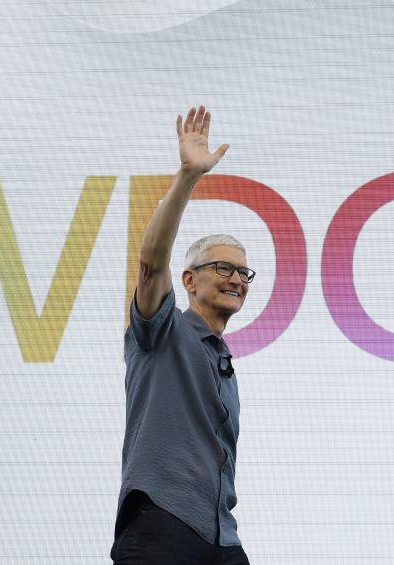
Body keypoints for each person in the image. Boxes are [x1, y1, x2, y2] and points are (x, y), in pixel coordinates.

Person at [111, 106, 252, 564]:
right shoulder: (162, 330)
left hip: (221, 538)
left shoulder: (224, 361)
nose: (236, 279)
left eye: (243, 272)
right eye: (223, 268)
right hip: (162, 524)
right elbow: (151, 263)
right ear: (189, 281)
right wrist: (189, 177)